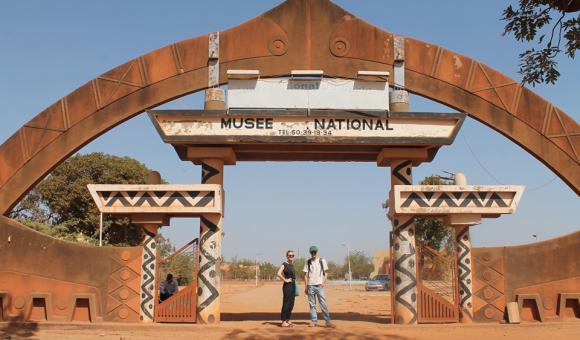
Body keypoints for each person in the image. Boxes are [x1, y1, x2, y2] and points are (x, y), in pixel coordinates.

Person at [303, 245, 335, 328]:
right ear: (310, 253)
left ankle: (327, 322)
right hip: (310, 286)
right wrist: (306, 287)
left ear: (317, 252)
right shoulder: (308, 262)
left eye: (314, 252)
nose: (313, 253)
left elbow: (326, 273)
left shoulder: (322, 260)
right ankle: (314, 321)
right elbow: (306, 275)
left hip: (319, 286)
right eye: (312, 252)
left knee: (323, 304)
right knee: (312, 305)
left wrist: (323, 282)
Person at [277, 250, 297, 327]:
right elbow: (278, 273)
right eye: (289, 255)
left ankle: (287, 320)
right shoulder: (284, 264)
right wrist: (285, 280)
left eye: (292, 255)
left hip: (293, 285)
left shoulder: (292, 265)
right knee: (286, 303)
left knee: (291, 303)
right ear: (287, 256)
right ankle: (283, 321)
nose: (291, 256)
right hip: (287, 286)